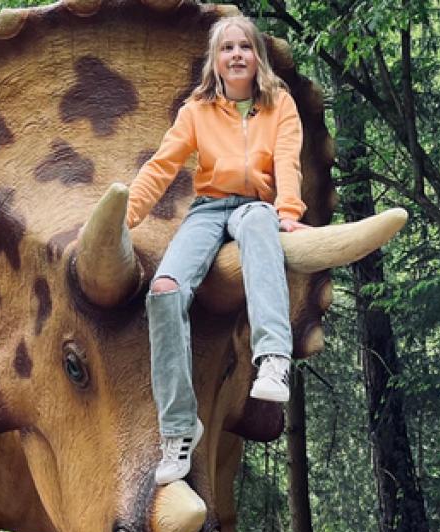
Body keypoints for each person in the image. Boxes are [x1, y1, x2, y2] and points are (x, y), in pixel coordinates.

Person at [125, 14, 310, 485]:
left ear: (257, 56)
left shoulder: (280, 104)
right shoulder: (196, 111)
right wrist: (122, 220)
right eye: (227, 48)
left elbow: (287, 161)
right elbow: (161, 167)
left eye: (244, 46)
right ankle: (179, 428)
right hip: (208, 209)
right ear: (216, 59)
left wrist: (288, 209)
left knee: (261, 222)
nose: (236, 55)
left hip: (255, 208)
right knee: (164, 290)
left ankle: (273, 359)